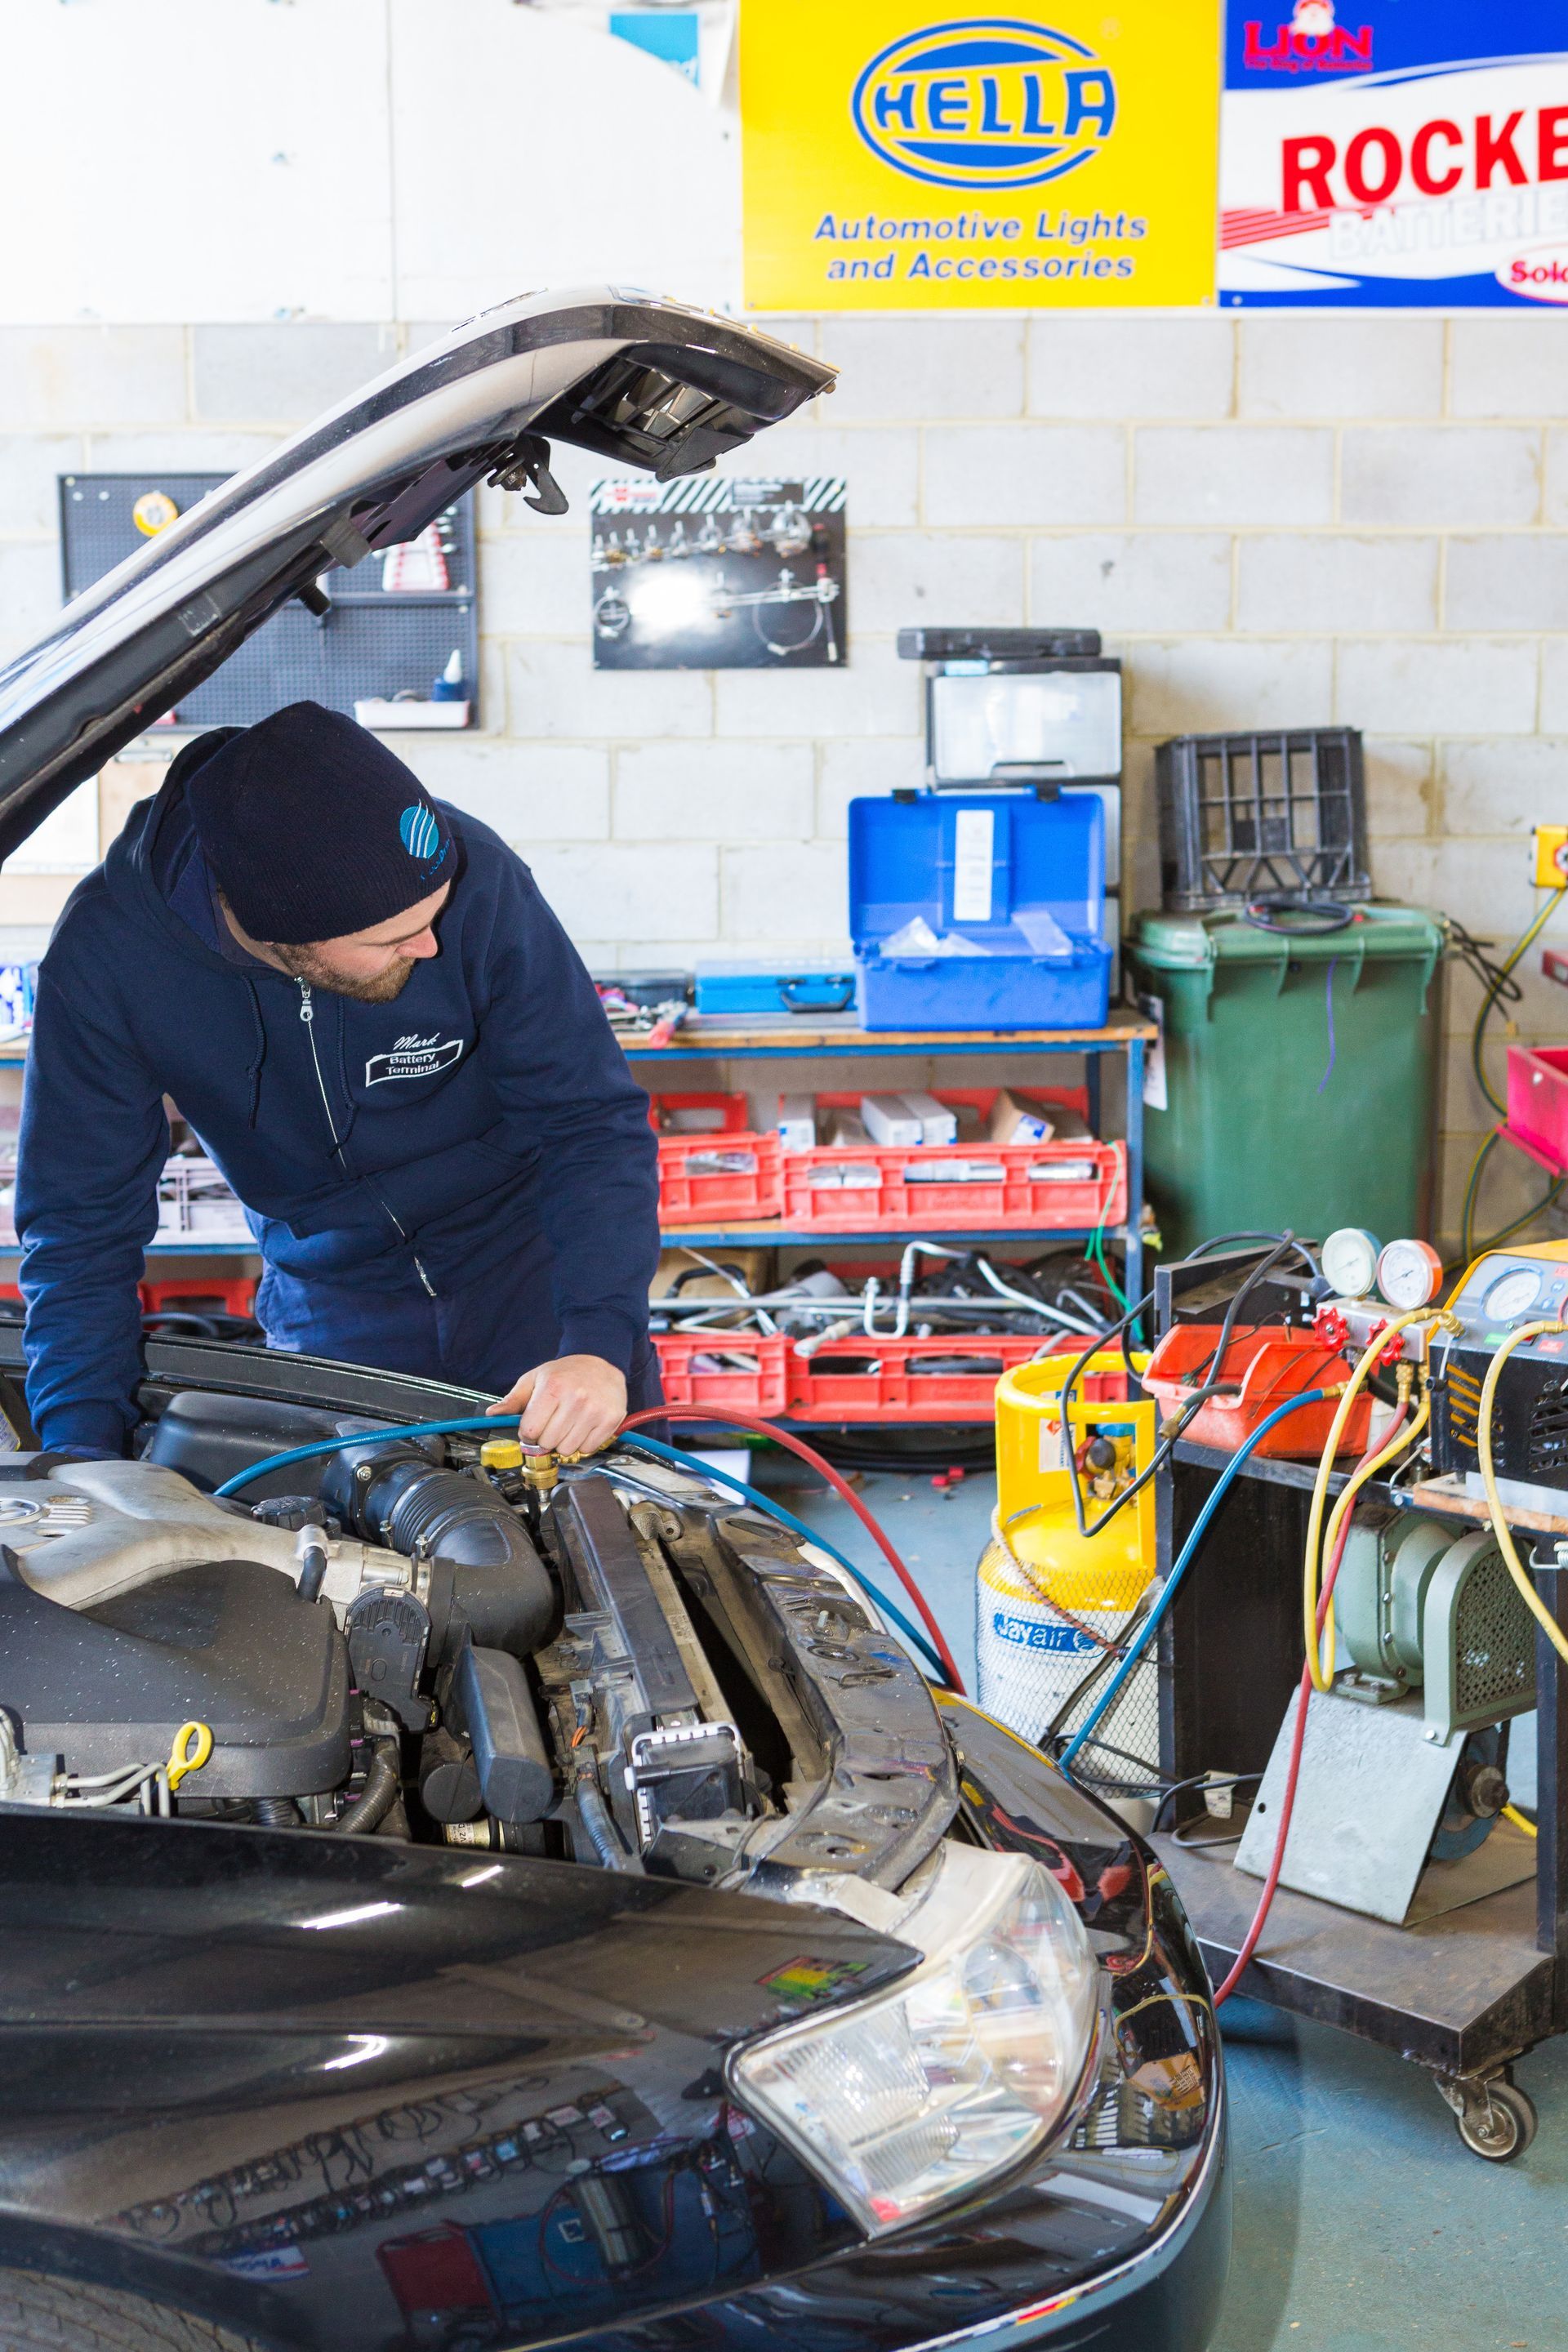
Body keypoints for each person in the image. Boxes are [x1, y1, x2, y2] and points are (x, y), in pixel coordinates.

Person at [16, 701, 662, 1459]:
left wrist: (597, 1339)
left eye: (433, 915)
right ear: (277, 930)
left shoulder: (475, 875)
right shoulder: (109, 958)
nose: (428, 945)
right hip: (333, 1308)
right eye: (389, 939)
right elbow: (79, 1224)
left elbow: (589, 1122)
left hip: (530, 1276)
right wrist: (81, 1457)